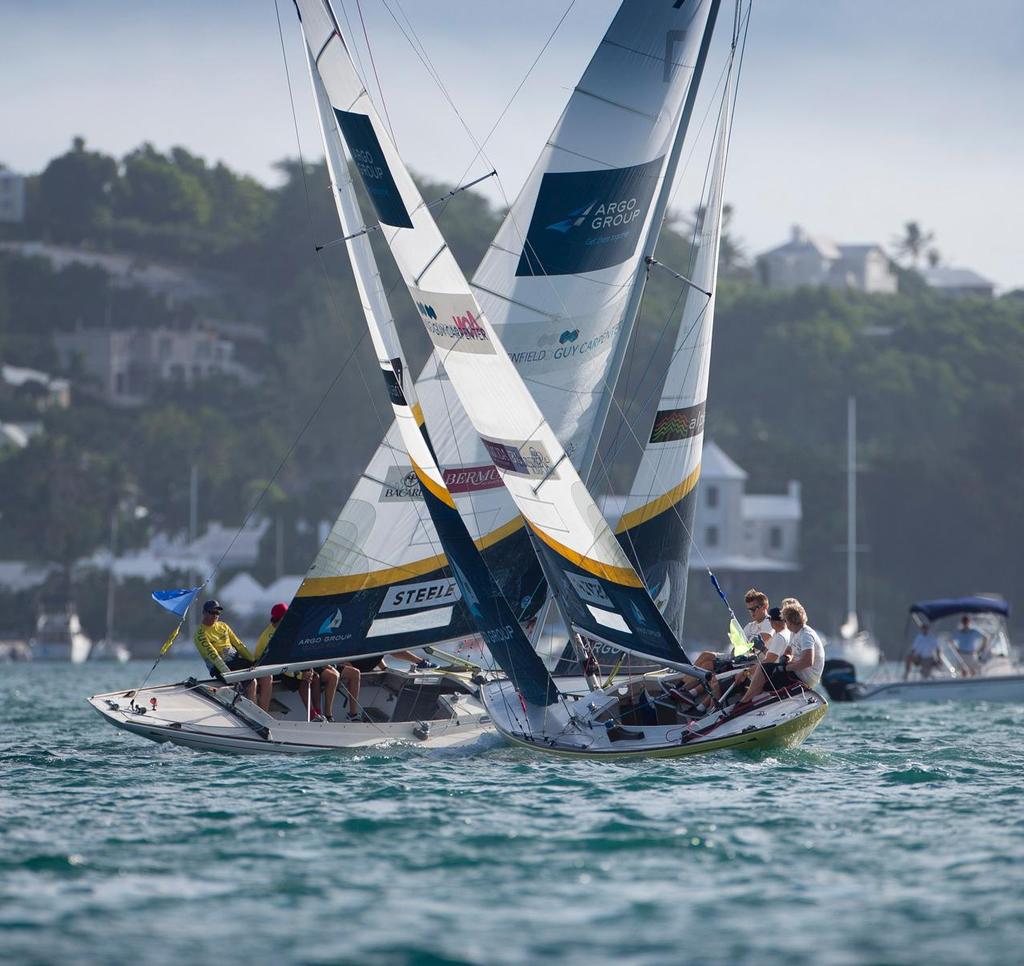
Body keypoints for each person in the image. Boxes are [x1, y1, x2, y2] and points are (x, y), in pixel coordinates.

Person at [738, 600, 824, 707]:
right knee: (764, 672)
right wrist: (786, 657)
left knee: (764, 672)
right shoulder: (795, 632)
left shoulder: (806, 635)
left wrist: (784, 668)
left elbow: (807, 662)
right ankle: (750, 701)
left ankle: (743, 704)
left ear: (790, 621)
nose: (784, 622)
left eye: (785, 620)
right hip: (795, 672)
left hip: (804, 678)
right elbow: (789, 650)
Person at [193, 600, 259, 702]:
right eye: (212, 612)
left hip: (235, 661)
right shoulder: (200, 634)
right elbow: (215, 657)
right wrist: (231, 677)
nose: (215, 615)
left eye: (218, 613)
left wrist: (253, 661)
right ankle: (252, 713)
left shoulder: (223, 626)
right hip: (219, 668)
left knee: (264, 675)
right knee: (252, 682)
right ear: (204, 613)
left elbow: (239, 645)